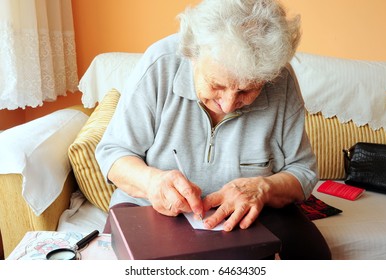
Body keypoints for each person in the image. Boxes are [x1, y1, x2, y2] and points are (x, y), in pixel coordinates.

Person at [96, 0, 331, 259]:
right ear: (193, 55)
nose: (229, 104)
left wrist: (262, 188)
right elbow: (113, 152)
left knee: (313, 256)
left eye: (246, 90)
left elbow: (303, 172)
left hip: (251, 212)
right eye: (217, 85)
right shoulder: (161, 64)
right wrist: (153, 183)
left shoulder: (280, 79)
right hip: (149, 207)